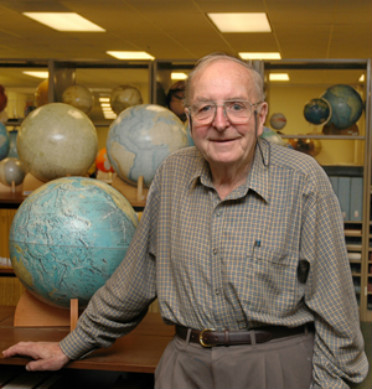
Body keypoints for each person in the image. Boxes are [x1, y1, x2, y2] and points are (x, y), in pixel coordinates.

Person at [3, 53, 368, 389]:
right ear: (189, 118)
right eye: (205, 108)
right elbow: (133, 283)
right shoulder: (173, 174)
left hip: (272, 365)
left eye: (236, 107)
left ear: (260, 116)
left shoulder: (302, 179)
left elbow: (336, 311)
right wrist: (68, 347)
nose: (220, 123)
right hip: (184, 367)